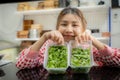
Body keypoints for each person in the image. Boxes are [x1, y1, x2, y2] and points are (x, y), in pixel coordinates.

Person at [16, 7, 120, 69]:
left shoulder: (88, 47)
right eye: (64, 24)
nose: (69, 30)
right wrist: (43, 38)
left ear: (83, 29)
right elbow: (21, 64)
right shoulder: (49, 47)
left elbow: (117, 61)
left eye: (75, 25)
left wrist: (93, 40)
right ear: (57, 28)